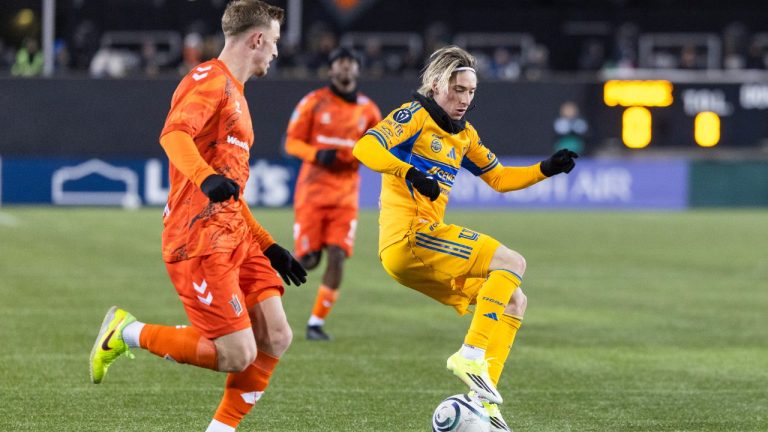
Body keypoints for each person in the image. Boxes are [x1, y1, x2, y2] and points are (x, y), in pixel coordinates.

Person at [88, 2, 307, 432]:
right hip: (200, 241)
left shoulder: (236, 94)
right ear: (257, 39)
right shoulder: (211, 81)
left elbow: (230, 192)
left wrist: (268, 245)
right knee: (236, 354)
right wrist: (205, 178)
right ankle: (126, 331)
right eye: (275, 43)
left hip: (236, 236)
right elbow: (173, 134)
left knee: (277, 336)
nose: (276, 54)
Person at [352, 46, 577, 432]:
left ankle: (482, 403)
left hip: (417, 250)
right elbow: (365, 147)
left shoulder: (465, 135)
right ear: (438, 84)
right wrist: (407, 171)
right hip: (410, 237)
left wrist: (545, 169)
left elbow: (500, 179)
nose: (464, 100)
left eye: (471, 92)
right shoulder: (415, 116)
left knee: (514, 299)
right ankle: (469, 354)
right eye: (458, 90)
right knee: (512, 261)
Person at [284, 46, 382, 340]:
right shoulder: (313, 102)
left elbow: (379, 148)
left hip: (345, 197)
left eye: (351, 63)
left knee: (338, 255)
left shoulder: (369, 111)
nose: (346, 68)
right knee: (309, 260)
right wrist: (317, 154)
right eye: (340, 63)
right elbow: (291, 142)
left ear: (358, 70)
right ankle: (258, 289)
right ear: (331, 69)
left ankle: (315, 323)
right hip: (312, 194)